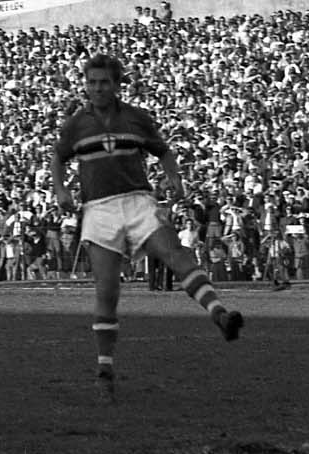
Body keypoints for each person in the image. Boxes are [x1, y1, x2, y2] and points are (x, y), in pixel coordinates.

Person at [51, 53, 242, 400]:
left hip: (138, 200)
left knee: (175, 254)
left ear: (117, 85)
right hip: (99, 209)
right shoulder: (76, 124)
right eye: (92, 82)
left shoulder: (137, 118)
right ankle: (105, 369)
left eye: (104, 82)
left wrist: (174, 178)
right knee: (107, 291)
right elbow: (58, 157)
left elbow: (163, 152)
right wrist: (61, 189)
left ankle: (219, 314)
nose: (97, 88)